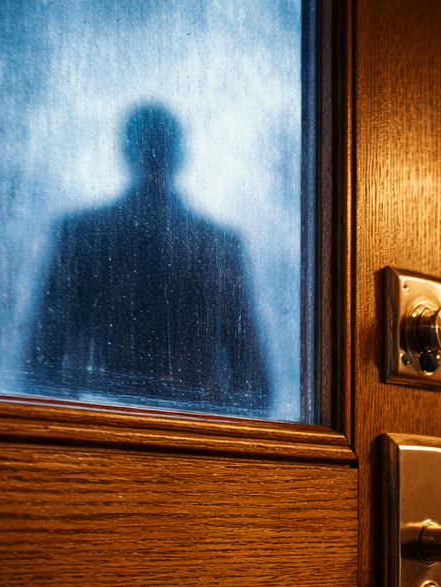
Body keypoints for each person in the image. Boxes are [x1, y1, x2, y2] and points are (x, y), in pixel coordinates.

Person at [27, 103, 271, 416]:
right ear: (180, 156)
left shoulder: (81, 234)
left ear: (126, 152)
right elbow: (255, 385)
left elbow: (40, 367)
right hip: (192, 436)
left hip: (98, 431)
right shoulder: (219, 247)